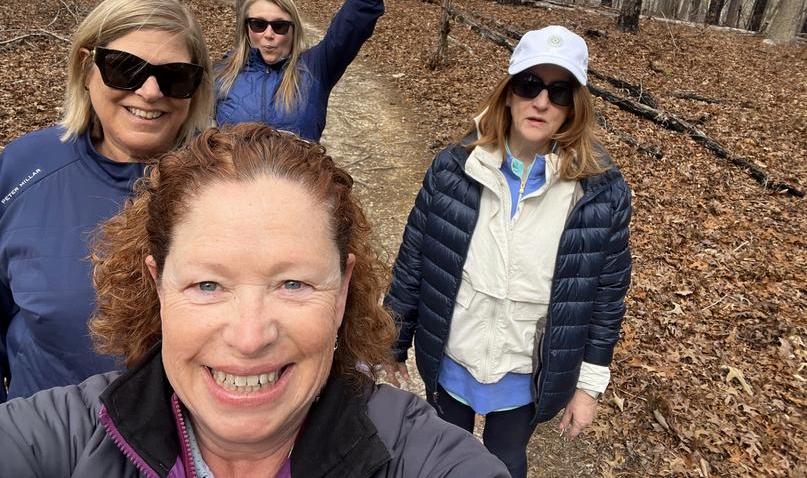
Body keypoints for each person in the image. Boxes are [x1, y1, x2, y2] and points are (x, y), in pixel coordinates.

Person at [0, 124, 509, 478]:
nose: (249, 338)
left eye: (293, 284)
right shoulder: (64, 439)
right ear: (158, 286)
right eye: (207, 285)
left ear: (342, 292)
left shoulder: (418, 455)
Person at [384, 26, 633, 477]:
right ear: (509, 93)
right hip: (453, 354)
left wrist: (589, 387)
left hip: (526, 371)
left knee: (506, 461)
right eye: (529, 85)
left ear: (574, 106)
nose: (541, 102)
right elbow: (415, 260)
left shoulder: (600, 193)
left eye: (559, 92)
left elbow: (605, 297)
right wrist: (393, 341)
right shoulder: (454, 169)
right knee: (442, 458)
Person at [0, 0, 214, 401]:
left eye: (175, 76)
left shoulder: (227, 181)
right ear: (86, 68)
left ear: (196, 88)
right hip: (43, 430)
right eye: (124, 68)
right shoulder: (23, 167)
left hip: (182, 432)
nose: (150, 91)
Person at [215, 0, 414, 142]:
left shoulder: (315, 69)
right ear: (246, 28)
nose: (268, 34)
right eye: (258, 24)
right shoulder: (222, 73)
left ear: (293, 30)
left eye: (279, 26)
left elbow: (348, 29)